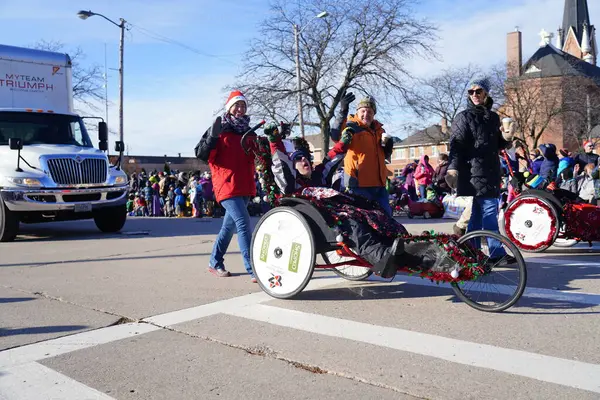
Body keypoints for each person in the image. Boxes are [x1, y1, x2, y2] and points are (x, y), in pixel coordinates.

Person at [265, 123, 455, 278]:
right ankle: (382, 257)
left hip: (344, 208)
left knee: (378, 216)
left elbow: (331, 158)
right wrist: (274, 141)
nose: (305, 161)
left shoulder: (317, 177)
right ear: (293, 166)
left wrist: (345, 142)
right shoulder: (292, 186)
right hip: (329, 218)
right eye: (299, 160)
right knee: (354, 225)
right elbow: (280, 164)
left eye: (306, 159)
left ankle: (421, 252)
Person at [446, 77, 515, 263]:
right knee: (489, 212)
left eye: (478, 91)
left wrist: (507, 138)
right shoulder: (464, 117)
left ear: (486, 93)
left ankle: (471, 251)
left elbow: (495, 144)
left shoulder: (493, 117)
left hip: (491, 171)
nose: (474, 95)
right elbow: (456, 145)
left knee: (476, 216)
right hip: (474, 172)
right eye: (471, 92)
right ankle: (496, 253)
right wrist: (452, 168)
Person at [195, 90, 257, 280]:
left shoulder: (248, 132)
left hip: (245, 185)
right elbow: (203, 154)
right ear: (229, 108)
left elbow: (256, 156)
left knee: (228, 228)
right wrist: (212, 138)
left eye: (243, 105)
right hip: (227, 185)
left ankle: (214, 262)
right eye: (236, 105)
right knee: (243, 223)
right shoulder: (220, 129)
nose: (240, 109)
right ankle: (253, 268)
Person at [337, 96, 394, 215]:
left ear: (374, 114)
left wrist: (388, 148)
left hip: (379, 186)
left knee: (387, 218)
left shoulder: (379, 131)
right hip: (358, 185)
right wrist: (342, 112)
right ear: (357, 112)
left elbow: (383, 156)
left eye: (370, 111)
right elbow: (335, 134)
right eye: (363, 110)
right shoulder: (350, 126)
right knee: (363, 221)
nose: (366, 114)